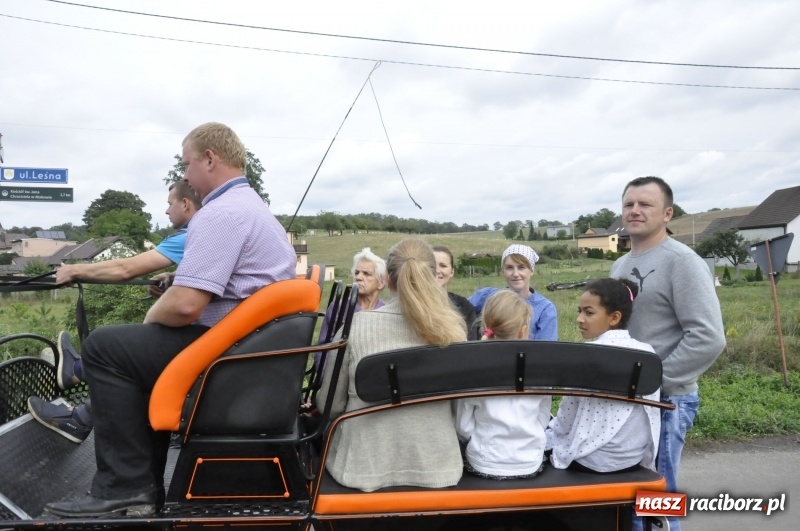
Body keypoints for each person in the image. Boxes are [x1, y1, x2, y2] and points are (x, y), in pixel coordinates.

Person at [43, 122, 298, 518]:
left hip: (228, 356)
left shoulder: (221, 213)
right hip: (251, 351)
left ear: (210, 159)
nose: (185, 177)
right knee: (131, 353)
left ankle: (124, 489)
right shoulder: (253, 209)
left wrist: (152, 316)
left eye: (187, 164)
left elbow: (183, 307)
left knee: (107, 347)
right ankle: (140, 488)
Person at [27, 181, 203, 443]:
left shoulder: (193, 234)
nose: (167, 211)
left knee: (114, 347)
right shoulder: (207, 235)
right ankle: (79, 387)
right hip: (216, 339)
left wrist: (74, 270)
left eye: (170, 203)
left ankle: (77, 381)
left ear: (186, 204)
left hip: (201, 343)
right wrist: (175, 277)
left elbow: (126, 269)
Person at [609, 176, 725, 531]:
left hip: (666, 402)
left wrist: (655, 383)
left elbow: (708, 337)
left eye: (646, 204)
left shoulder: (681, 261)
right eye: (629, 204)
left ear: (668, 214)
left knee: (658, 502)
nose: (635, 211)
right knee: (631, 497)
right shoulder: (621, 264)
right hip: (632, 400)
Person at [315, 238, 467, 492]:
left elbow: (329, 406)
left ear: (388, 278)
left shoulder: (357, 328)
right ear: (433, 276)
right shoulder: (454, 331)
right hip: (438, 467)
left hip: (362, 469)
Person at [546, 278, 660, 473]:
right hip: (631, 457)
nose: (579, 319)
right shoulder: (646, 353)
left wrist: (548, 437)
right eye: (579, 311)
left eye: (588, 312)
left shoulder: (586, 356)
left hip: (592, 459)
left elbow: (566, 420)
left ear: (614, 318)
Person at [456, 290, 551, 479]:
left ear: (485, 327)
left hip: (485, 460)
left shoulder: (473, 369)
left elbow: (463, 427)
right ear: (524, 330)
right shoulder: (540, 369)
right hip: (529, 460)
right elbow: (543, 419)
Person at [469, 244, 557, 340]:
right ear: (503, 271)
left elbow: (545, 349)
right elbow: (459, 311)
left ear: (531, 270)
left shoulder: (545, 309)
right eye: (509, 267)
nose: (515, 274)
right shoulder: (487, 295)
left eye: (521, 267)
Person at [314, 247, 387, 363]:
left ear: (381, 283)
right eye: (356, 273)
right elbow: (323, 351)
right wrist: (329, 380)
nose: (358, 277)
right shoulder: (338, 308)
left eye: (366, 274)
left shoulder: (386, 313)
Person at [432, 245, 479, 340]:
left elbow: (472, 343)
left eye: (443, 266)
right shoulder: (416, 304)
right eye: (432, 266)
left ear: (452, 271)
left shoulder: (464, 306)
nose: (437, 270)